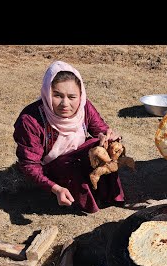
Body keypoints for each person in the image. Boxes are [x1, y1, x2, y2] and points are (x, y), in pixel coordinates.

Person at [13, 60, 125, 213]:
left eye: (72, 97)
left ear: (81, 95)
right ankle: (80, 199)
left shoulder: (84, 107)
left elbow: (101, 130)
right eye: (57, 95)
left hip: (76, 156)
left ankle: (108, 195)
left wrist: (110, 138)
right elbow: (30, 165)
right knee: (72, 165)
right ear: (47, 92)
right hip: (52, 168)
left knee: (99, 149)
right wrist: (55, 188)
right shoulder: (30, 120)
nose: (65, 104)